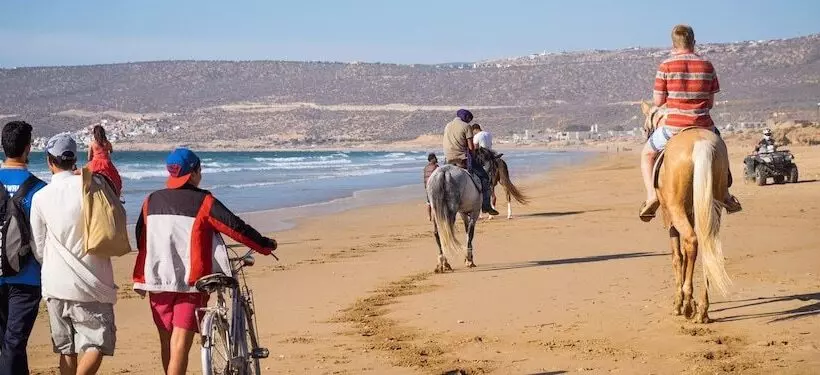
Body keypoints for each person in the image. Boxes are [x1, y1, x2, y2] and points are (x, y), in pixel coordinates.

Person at [133, 148, 278, 375]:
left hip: (157, 278)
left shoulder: (150, 200)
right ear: (193, 173)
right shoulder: (204, 201)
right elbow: (235, 227)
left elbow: (141, 235)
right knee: (180, 342)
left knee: (166, 340)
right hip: (191, 281)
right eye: (199, 170)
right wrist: (264, 245)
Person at [31, 134, 117, 375]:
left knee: (66, 349)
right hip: (92, 280)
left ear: (50, 161)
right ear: (74, 160)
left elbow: (38, 246)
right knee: (96, 342)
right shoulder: (93, 186)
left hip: (55, 284)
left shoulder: (41, 196)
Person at [638, 25, 742, 221]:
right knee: (721, 147)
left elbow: (659, 102)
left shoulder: (665, 66)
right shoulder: (707, 65)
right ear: (694, 42)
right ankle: (726, 195)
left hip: (674, 127)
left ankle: (651, 197)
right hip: (704, 125)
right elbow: (710, 103)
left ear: (673, 44)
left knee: (647, 154)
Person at [0, 121, 47, 375]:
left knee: (9, 346)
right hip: (27, 278)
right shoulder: (40, 189)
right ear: (28, 148)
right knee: (14, 345)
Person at [442, 109, 499, 216]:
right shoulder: (466, 127)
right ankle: (486, 206)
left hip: (447, 159)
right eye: (468, 119)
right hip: (461, 159)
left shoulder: (448, 126)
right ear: (466, 118)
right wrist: (472, 156)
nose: (469, 122)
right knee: (485, 177)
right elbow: (471, 147)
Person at [86, 125, 122, 197]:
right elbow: (111, 151)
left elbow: (89, 158)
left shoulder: (92, 143)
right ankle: (117, 196)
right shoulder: (107, 143)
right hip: (106, 164)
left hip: (95, 164)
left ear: (94, 134)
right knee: (116, 180)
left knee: (84, 177)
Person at [423, 153, 439, 221]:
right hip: (434, 187)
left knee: (429, 202)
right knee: (435, 203)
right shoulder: (436, 167)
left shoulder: (425, 167)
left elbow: (424, 178)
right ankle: (435, 216)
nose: (436, 159)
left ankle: (429, 216)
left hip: (427, 187)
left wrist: (425, 187)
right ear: (432, 159)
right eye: (435, 158)